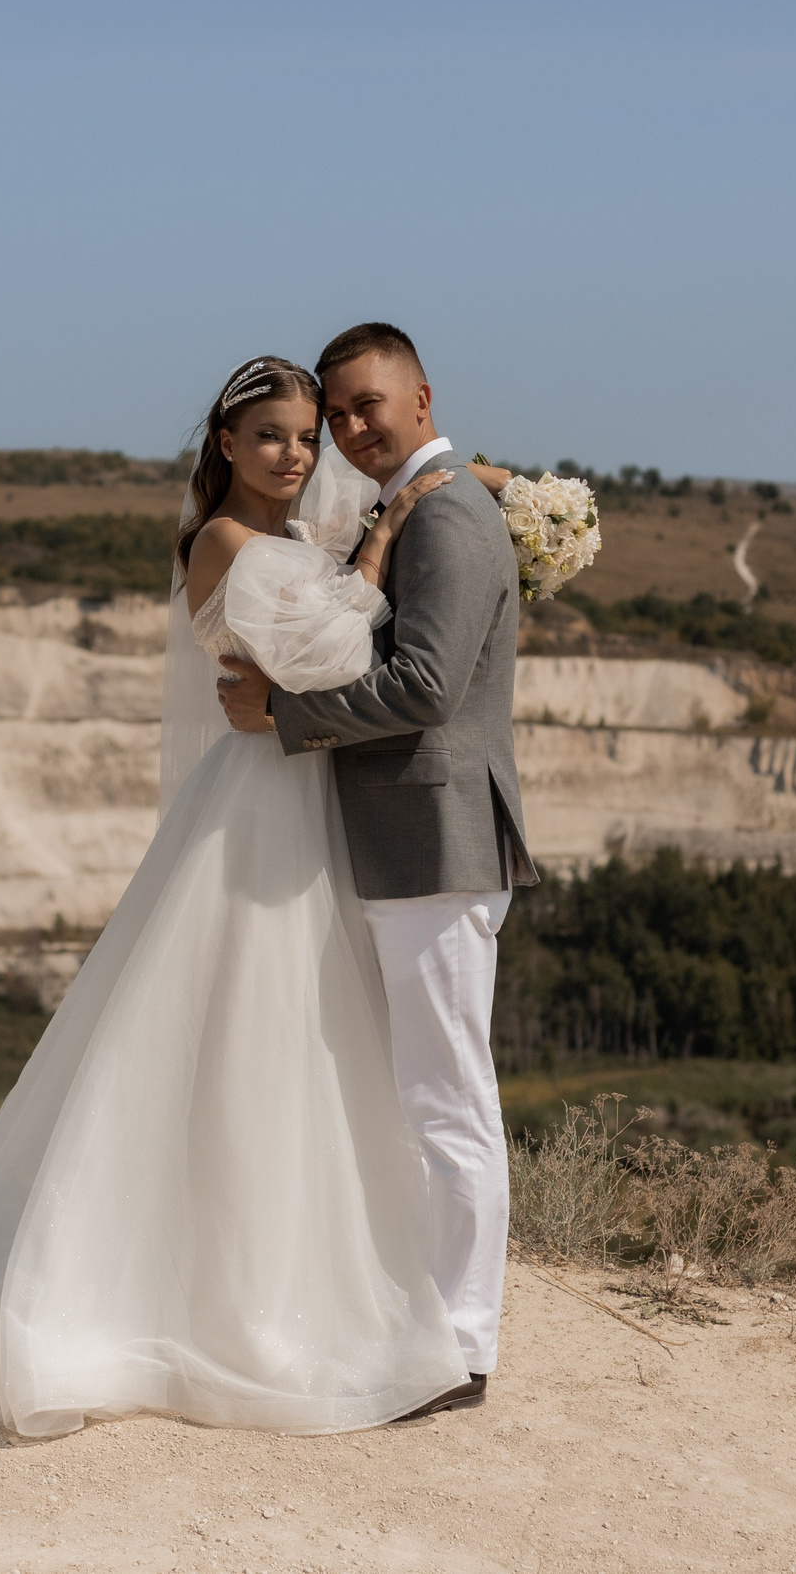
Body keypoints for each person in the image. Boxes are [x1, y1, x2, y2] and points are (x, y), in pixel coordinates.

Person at [0, 355, 473, 1438]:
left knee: (296, 1039)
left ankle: (277, 1268)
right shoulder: (223, 542)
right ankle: (203, 1294)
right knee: (242, 1024)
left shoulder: (292, 540)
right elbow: (338, 645)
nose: (296, 454)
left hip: (297, 795)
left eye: (308, 436)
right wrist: (387, 544)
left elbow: (329, 649)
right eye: (271, 438)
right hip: (258, 805)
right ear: (225, 448)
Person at [218, 322, 538, 1417]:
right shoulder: (434, 498)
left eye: (366, 406)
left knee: (447, 1098)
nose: (351, 428)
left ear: (420, 394)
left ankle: (462, 1342)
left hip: (435, 832)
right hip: (407, 834)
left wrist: (285, 712)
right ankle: (425, 1316)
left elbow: (426, 686)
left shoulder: (446, 512)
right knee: (419, 1093)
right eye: (336, 413)